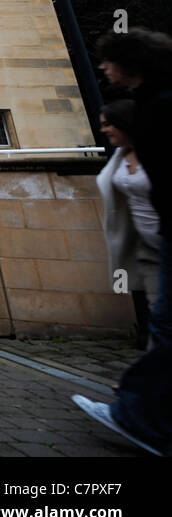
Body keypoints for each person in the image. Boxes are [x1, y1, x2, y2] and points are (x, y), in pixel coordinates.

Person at [74, 28, 172, 456]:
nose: (102, 68)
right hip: (155, 246)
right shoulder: (153, 103)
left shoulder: (161, 106)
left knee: (165, 327)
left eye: (108, 60)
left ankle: (135, 412)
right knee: (163, 325)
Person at [97, 99, 161, 348]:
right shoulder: (120, 157)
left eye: (107, 124)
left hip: (162, 239)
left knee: (162, 312)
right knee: (156, 308)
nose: (104, 130)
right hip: (140, 244)